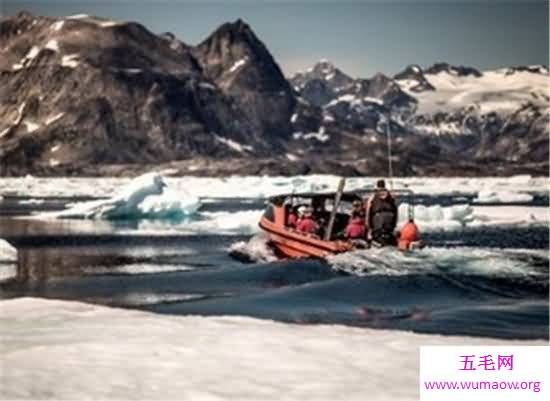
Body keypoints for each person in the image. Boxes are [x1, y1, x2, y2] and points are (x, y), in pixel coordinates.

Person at [365, 179, 398, 246]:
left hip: (377, 224)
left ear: (377, 185)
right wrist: (394, 225)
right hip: (389, 225)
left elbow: (368, 211)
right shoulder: (391, 197)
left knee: (377, 237)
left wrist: (368, 226)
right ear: (384, 185)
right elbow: (395, 211)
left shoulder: (373, 196)